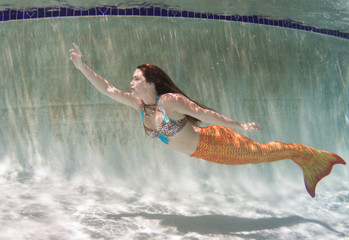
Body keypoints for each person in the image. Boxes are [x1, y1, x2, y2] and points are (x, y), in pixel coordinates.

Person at [69, 43, 346, 198]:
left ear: (152, 82)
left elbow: (204, 114)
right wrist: (82, 66)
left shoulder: (169, 102)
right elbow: (107, 89)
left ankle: (311, 157)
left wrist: (239, 126)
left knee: (263, 154)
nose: (130, 83)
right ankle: (308, 159)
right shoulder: (140, 105)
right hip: (205, 153)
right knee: (260, 157)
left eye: (136, 78)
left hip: (219, 143)